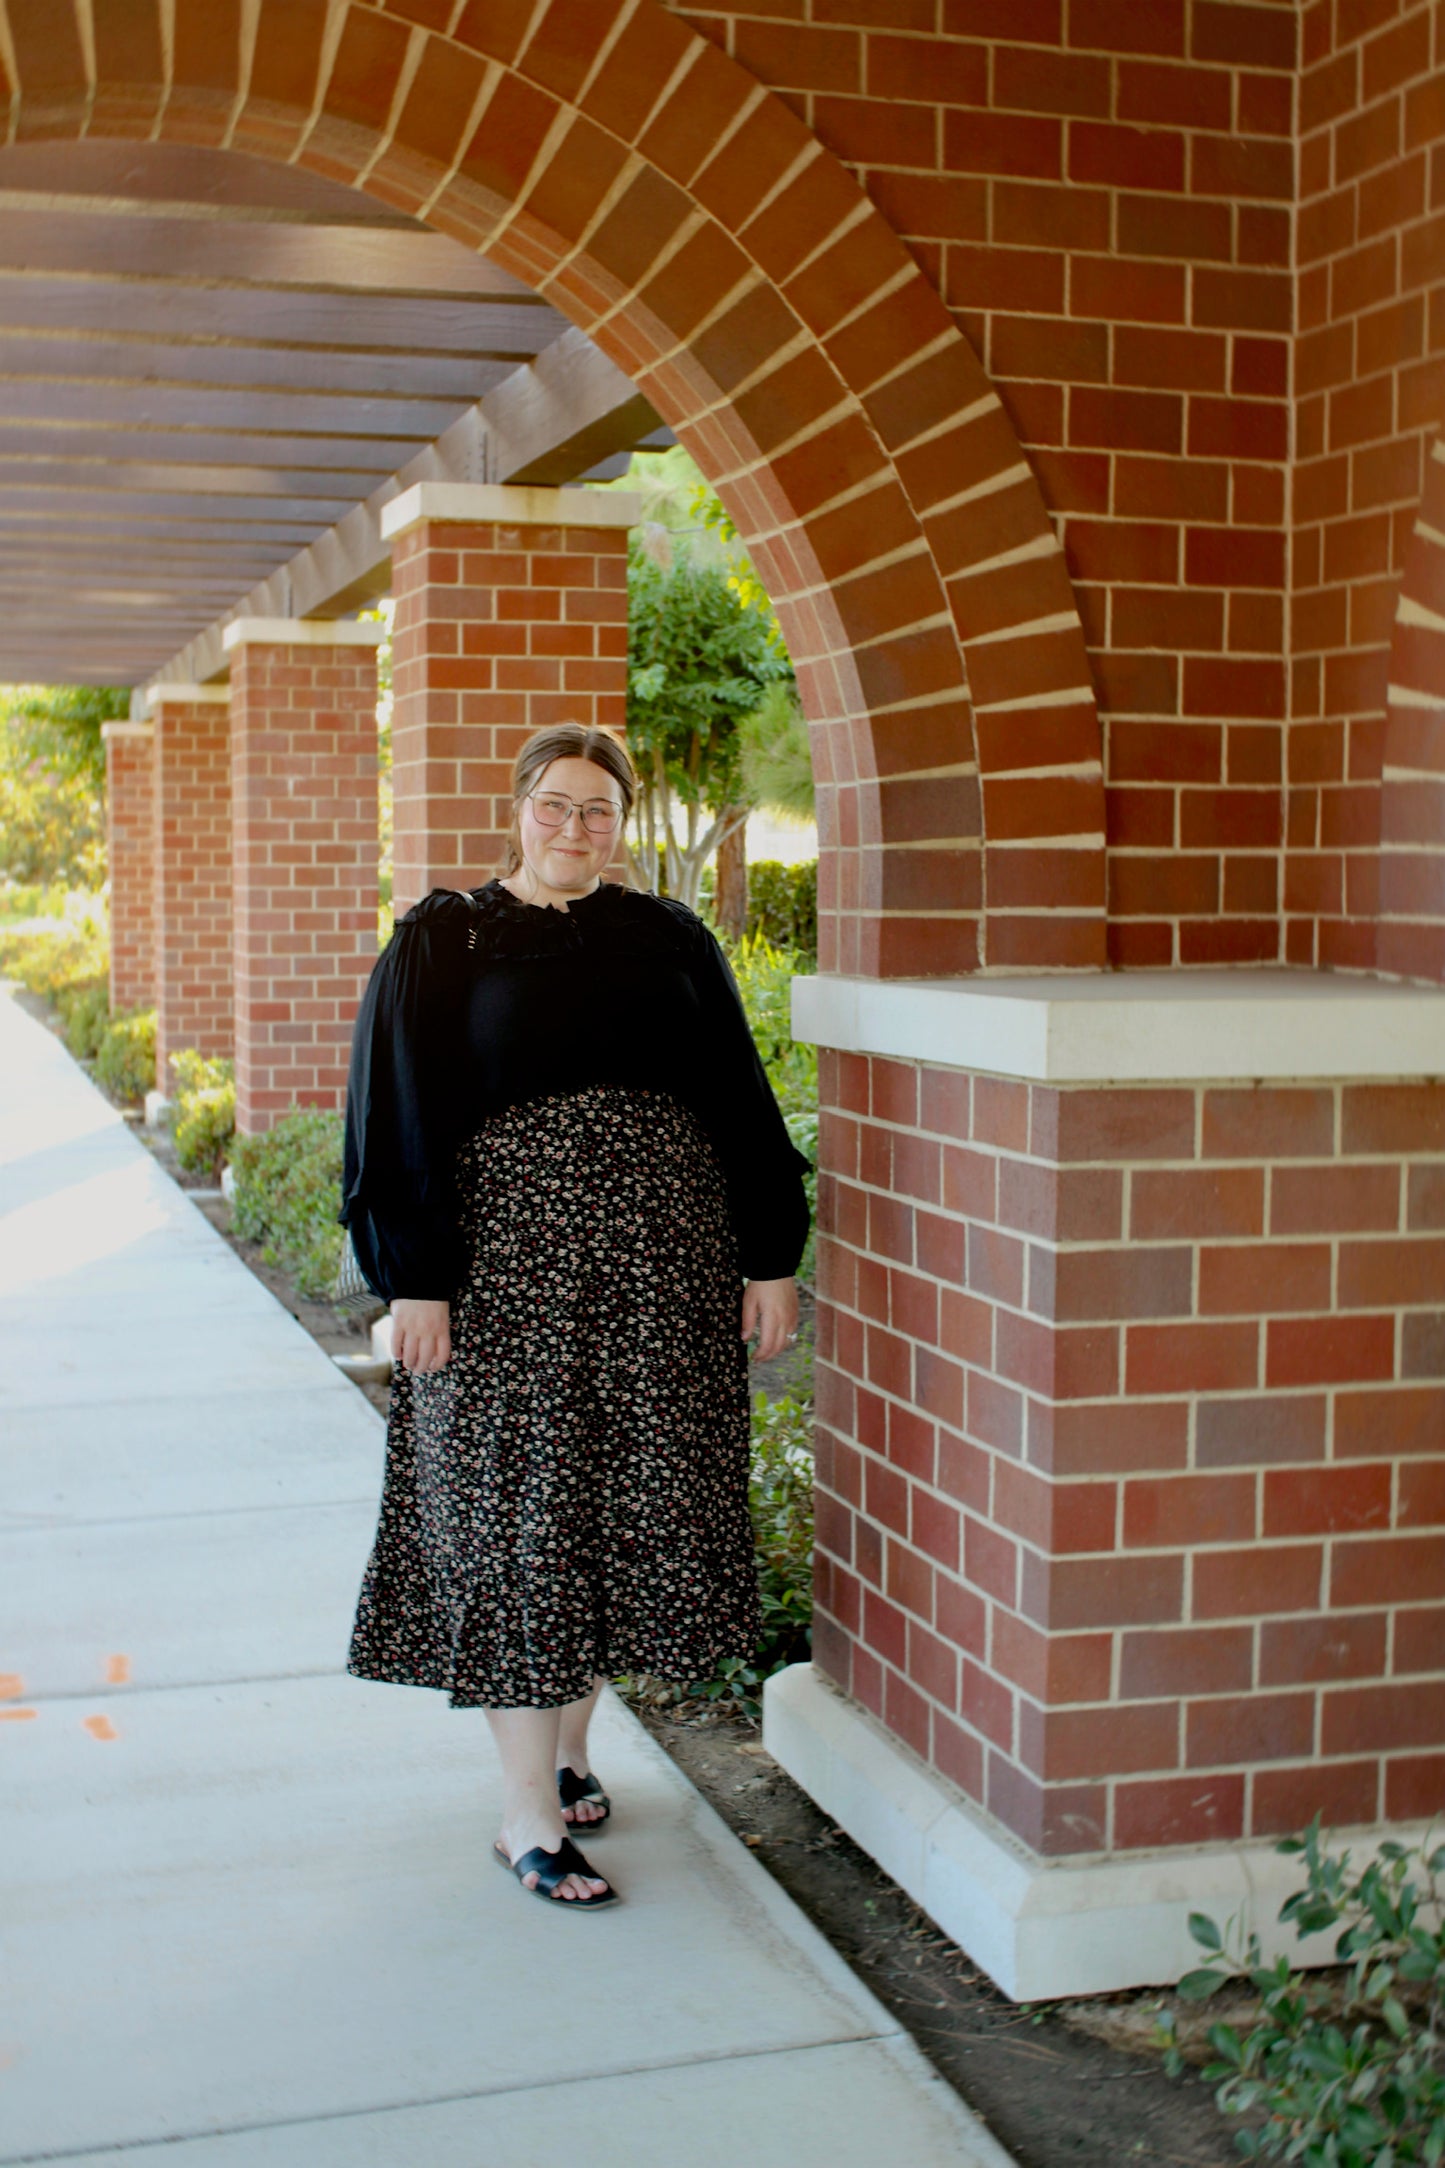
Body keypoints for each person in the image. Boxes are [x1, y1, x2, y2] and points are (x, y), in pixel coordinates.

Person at [340, 721, 810, 1910]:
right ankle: (524, 1812)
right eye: (554, 804)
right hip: (504, 1286)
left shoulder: (666, 939)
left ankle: (570, 1750)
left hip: (660, 1273)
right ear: (518, 808)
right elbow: (391, 1117)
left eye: (596, 810)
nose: (572, 829)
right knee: (519, 1517)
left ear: (620, 822)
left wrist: (768, 1256)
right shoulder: (443, 941)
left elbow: (736, 1099)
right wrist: (415, 1280)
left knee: (608, 1507)